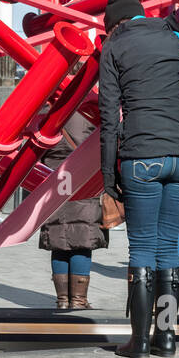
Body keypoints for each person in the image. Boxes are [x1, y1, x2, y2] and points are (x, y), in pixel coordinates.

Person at [99, 0, 179, 358]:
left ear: (117, 24)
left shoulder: (114, 48)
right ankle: (167, 338)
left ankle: (139, 342)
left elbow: (110, 119)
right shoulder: (175, 38)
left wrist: (109, 174)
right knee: (169, 247)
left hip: (142, 155)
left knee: (142, 247)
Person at [39, 113, 106, 311]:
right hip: (84, 173)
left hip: (53, 176)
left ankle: (62, 300)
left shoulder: (46, 104)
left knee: (58, 239)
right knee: (82, 239)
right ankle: (78, 300)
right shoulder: (90, 102)